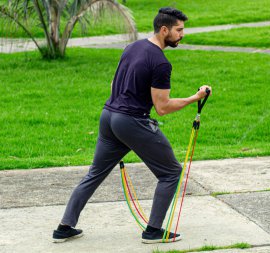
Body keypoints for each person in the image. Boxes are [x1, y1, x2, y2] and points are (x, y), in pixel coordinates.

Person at [52, 7, 212, 244]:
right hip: (131, 121)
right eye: (179, 30)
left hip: (109, 116)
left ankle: (64, 227)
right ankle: (153, 231)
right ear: (164, 29)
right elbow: (163, 107)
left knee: (95, 174)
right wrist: (195, 98)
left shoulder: (133, 47)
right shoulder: (160, 63)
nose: (182, 34)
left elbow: (112, 82)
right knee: (170, 172)